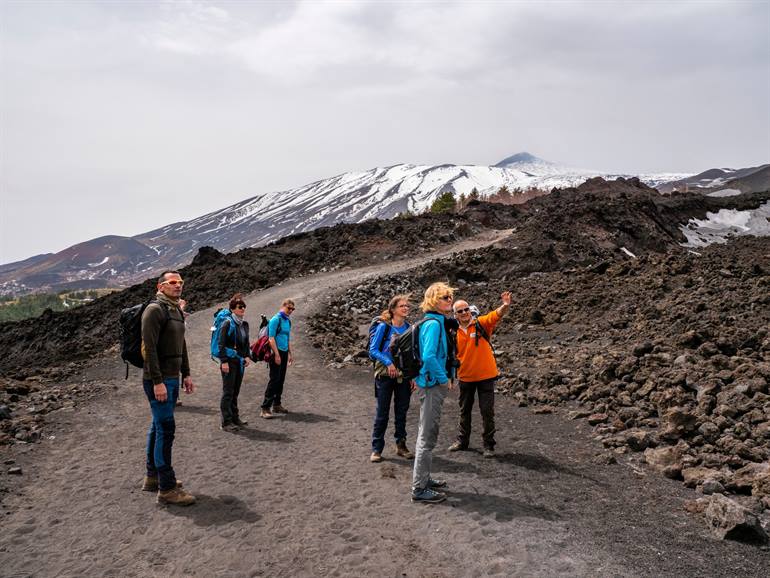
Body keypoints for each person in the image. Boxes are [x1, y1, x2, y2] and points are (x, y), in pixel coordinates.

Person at [141, 270, 196, 506]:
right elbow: (150, 350)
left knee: (157, 427)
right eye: (173, 282)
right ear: (161, 286)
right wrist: (157, 381)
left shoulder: (174, 310)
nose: (178, 286)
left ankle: (152, 477)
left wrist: (187, 373)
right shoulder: (155, 310)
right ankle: (167, 488)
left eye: (180, 282)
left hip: (173, 377)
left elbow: (180, 344)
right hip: (159, 379)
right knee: (166, 430)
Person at [448, 292, 511, 458]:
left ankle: (488, 445)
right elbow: (450, 355)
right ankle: (462, 441)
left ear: (470, 309)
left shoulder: (481, 324)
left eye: (466, 309)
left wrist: (505, 305)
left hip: (486, 376)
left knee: (487, 411)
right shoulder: (452, 332)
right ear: (455, 315)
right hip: (465, 377)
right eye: (460, 311)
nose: (464, 313)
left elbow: (495, 315)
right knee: (464, 411)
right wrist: (450, 376)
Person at [411, 282, 456, 504]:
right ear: (433, 301)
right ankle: (419, 488)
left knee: (428, 433)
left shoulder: (438, 322)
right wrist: (443, 378)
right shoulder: (434, 324)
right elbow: (428, 356)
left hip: (430, 384)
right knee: (427, 436)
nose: (449, 300)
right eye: (444, 297)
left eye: (450, 297)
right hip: (431, 385)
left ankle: (424, 479)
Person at [369, 294, 414, 463]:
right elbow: (373, 350)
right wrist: (388, 363)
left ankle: (401, 446)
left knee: (401, 412)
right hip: (385, 376)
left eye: (407, 306)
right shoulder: (384, 328)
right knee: (382, 412)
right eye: (402, 306)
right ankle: (376, 449)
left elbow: (412, 356)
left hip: (403, 377)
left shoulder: (410, 328)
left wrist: (413, 377)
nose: (405, 308)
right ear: (393, 309)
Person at [218, 294, 252, 432]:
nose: (243, 308)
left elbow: (245, 342)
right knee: (228, 391)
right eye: (240, 307)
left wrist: (247, 356)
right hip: (229, 361)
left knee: (235, 391)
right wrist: (224, 362)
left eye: (244, 306)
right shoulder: (227, 323)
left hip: (239, 361)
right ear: (232, 309)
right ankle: (226, 422)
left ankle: (235, 418)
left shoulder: (244, 324)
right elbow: (221, 344)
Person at [260, 298, 295, 418]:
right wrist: (277, 354)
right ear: (283, 306)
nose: (290, 310)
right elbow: (271, 338)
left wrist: (290, 353)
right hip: (276, 351)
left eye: (292, 309)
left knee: (281, 379)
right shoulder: (276, 319)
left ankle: (277, 404)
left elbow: (287, 337)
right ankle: (265, 408)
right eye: (289, 308)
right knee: (274, 379)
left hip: (284, 351)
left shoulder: (287, 321)